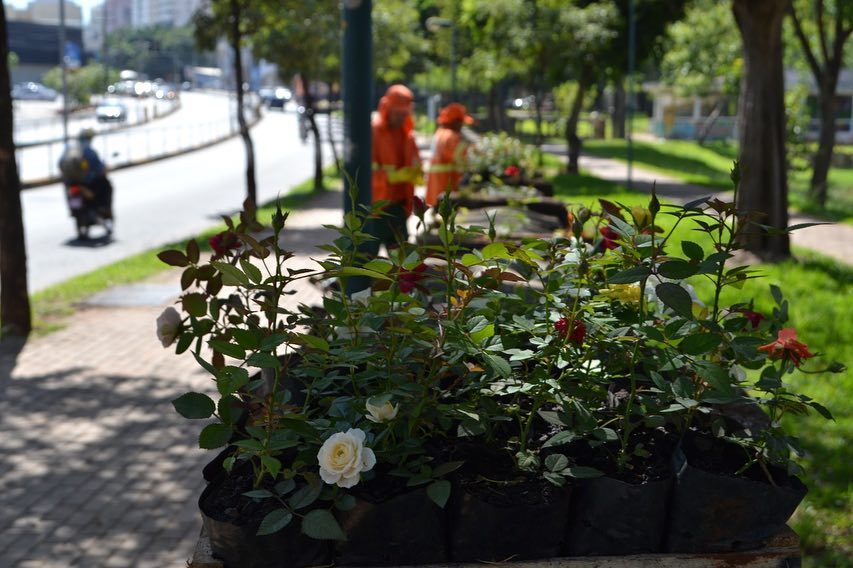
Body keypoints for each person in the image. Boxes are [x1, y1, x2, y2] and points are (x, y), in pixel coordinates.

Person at [369, 84, 422, 248]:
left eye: (405, 114)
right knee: (365, 258)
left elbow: (416, 162)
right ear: (387, 109)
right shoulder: (374, 132)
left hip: (398, 207)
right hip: (375, 208)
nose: (401, 118)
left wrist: (417, 173)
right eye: (398, 113)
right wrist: (390, 177)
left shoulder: (407, 135)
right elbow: (363, 172)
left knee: (402, 258)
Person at [425, 103, 474, 207]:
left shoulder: (440, 133)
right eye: (461, 122)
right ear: (455, 121)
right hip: (446, 182)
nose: (462, 125)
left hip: (435, 182)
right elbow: (461, 159)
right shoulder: (452, 137)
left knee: (437, 210)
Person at [59, 128, 113, 220]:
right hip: (86, 182)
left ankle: (74, 210)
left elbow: (60, 164)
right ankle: (103, 208)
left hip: (70, 181)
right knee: (106, 185)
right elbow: (99, 168)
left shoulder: (69, 148)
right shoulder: (89, 151)